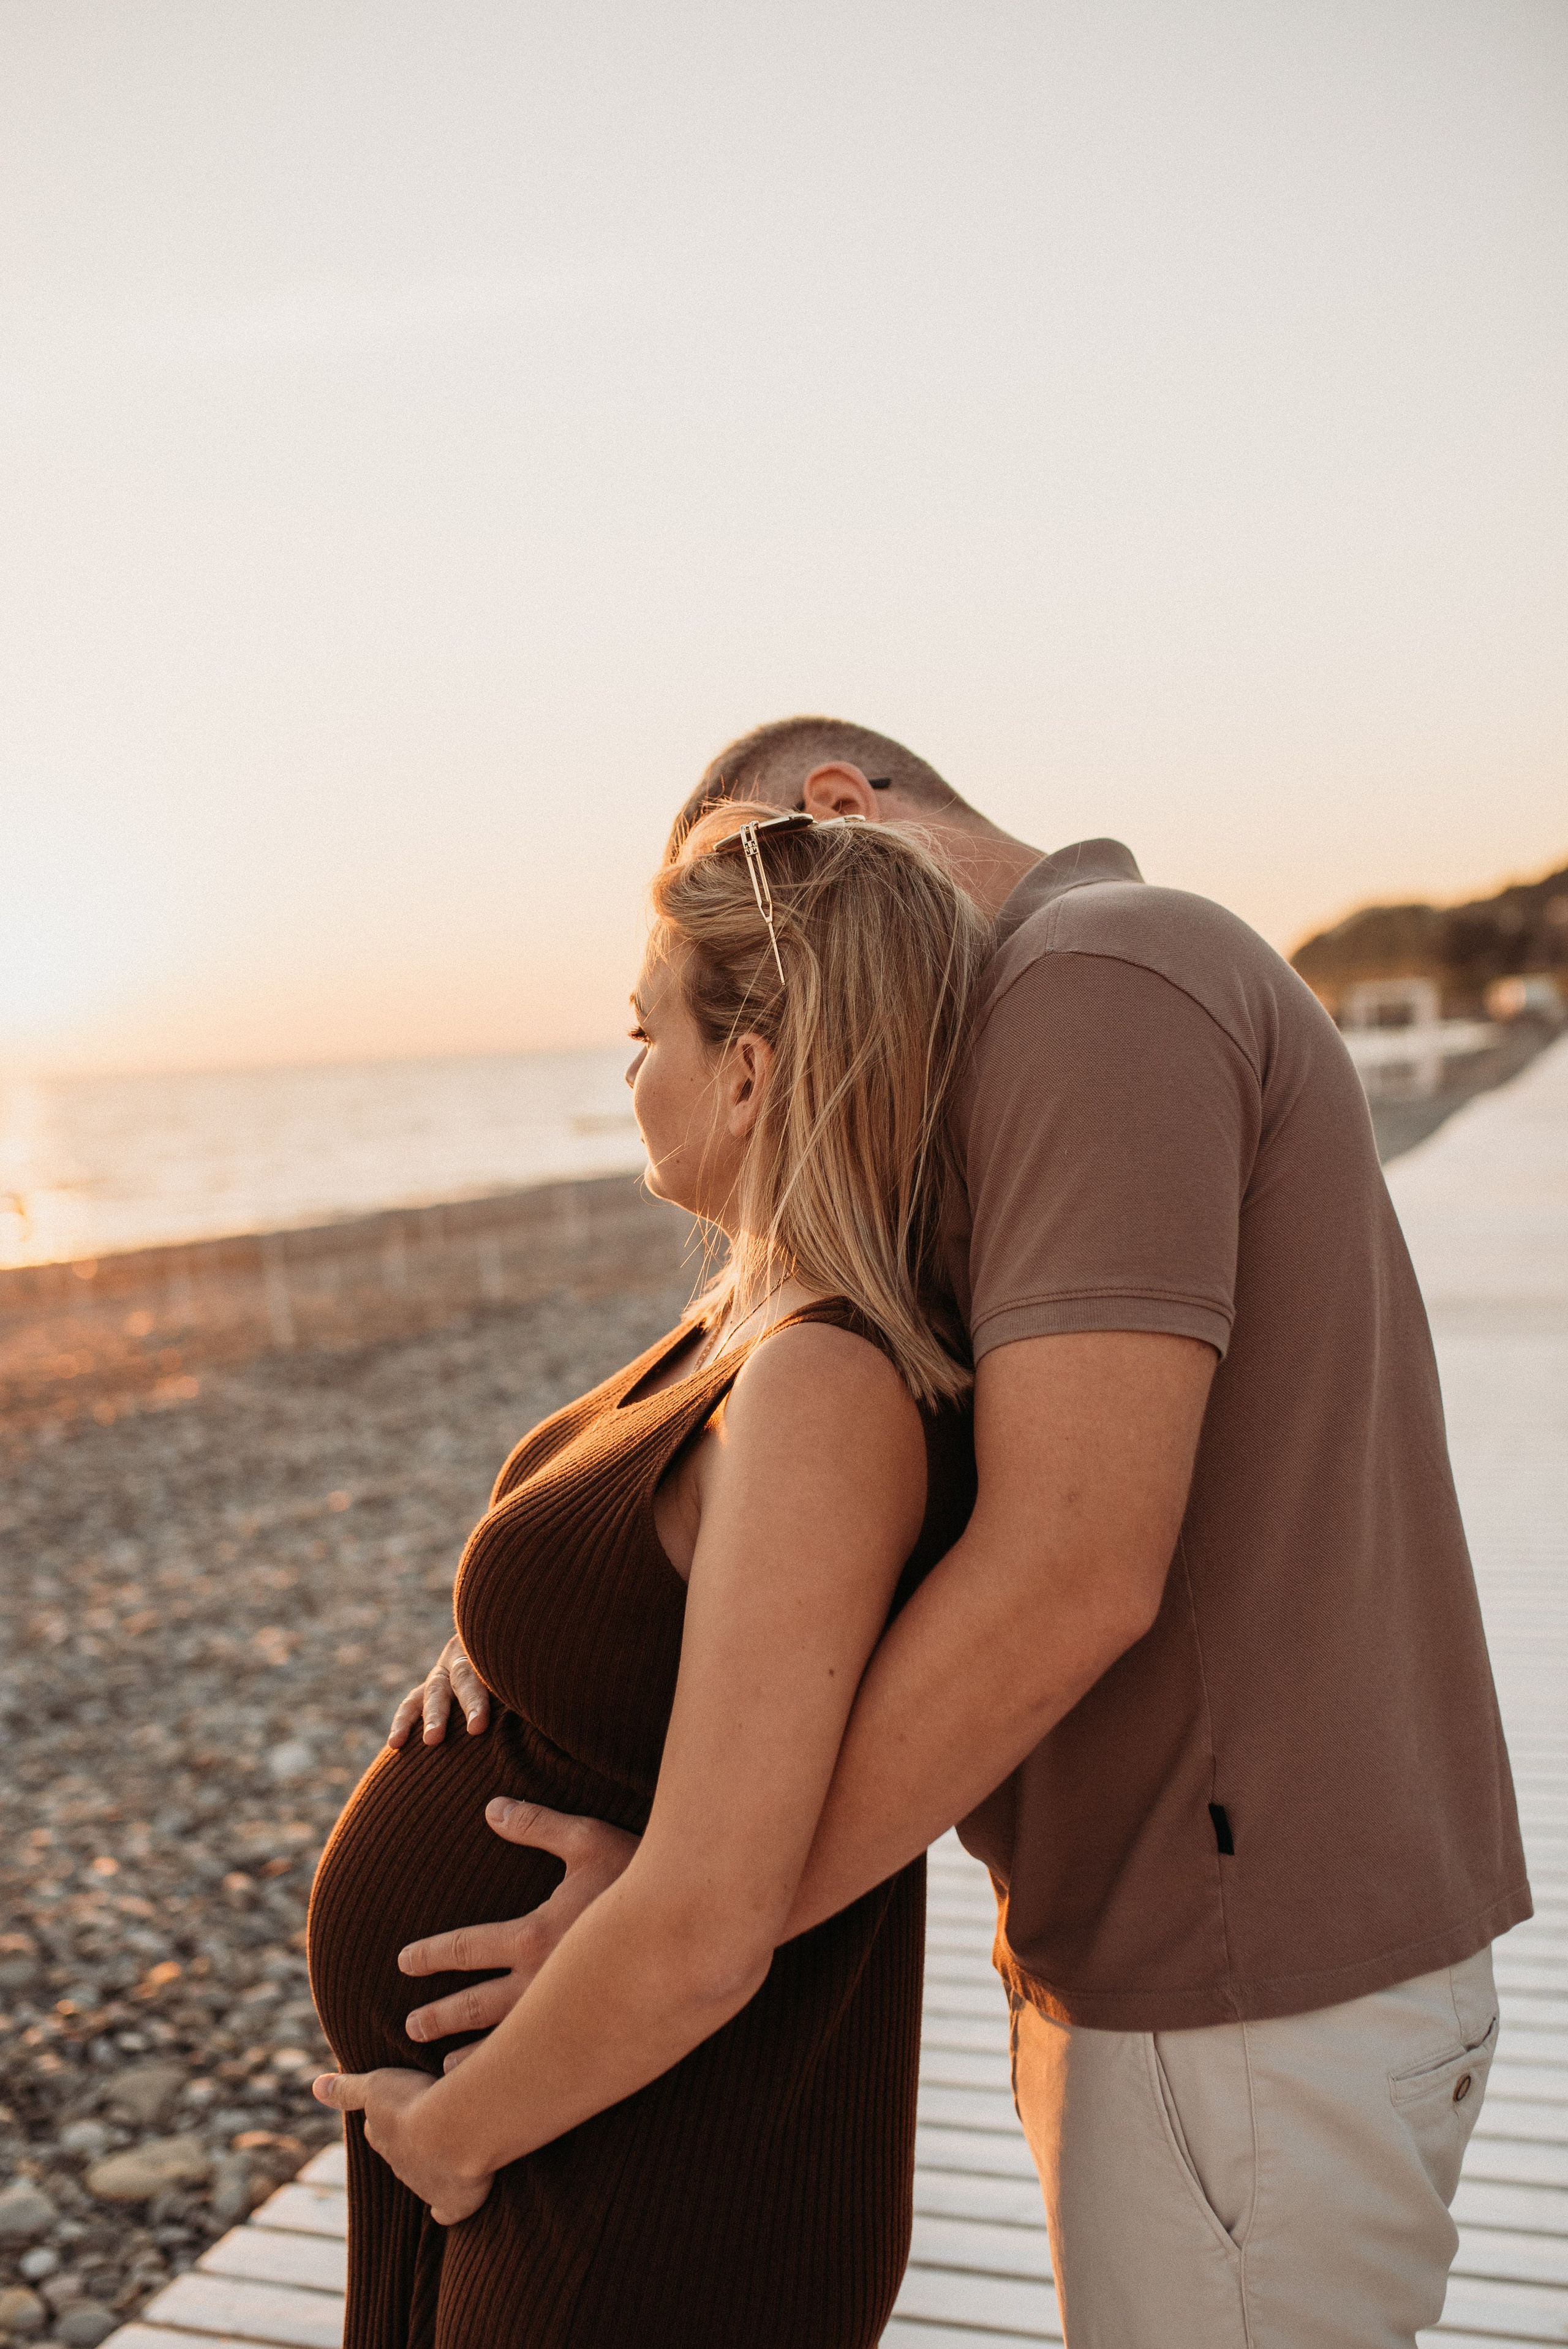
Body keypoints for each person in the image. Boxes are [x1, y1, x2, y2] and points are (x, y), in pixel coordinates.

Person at [398, 716, 1531, 2349]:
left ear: (846, 812)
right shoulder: (1028, 1044)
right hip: (1201, 1969)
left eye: (759, 891)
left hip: (1247, 1977)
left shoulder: (1094, 976)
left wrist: (680, 1911)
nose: (764, 968)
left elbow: (1072, 1563)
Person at [306, 801, 987, 2348]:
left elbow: (703, 1919)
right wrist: (504, 1645)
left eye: (646, 1030)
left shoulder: (825, 1387)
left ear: (747, 1072)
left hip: (643, 2181)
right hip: (568, 2126)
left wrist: (458, 2134)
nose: (628, 1075)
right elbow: (662, 1624)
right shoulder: (762, 1319)